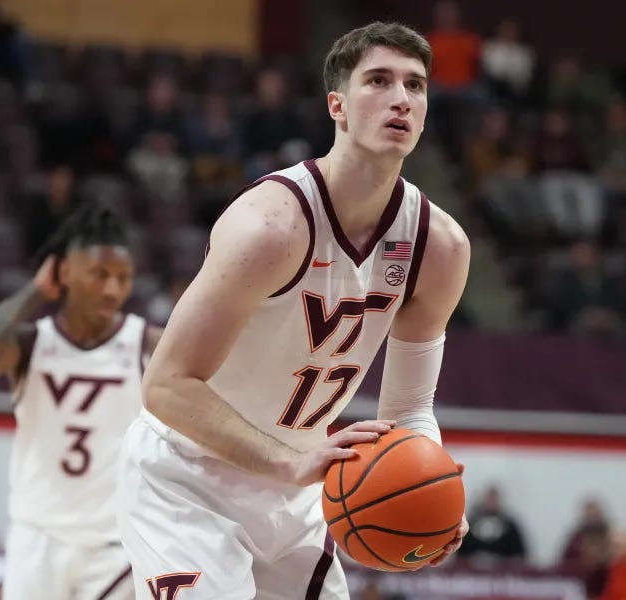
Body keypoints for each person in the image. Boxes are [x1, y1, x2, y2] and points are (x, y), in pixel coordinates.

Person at [116, 21, 471, 599]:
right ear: (337, 106)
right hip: (186, 477)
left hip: (299, 483)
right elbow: (167, 385)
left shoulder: (440, 247)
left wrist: (429, 490)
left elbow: (408, 410)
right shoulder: (269, 226)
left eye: (415, 85)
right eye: (378, 81)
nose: (401, 98)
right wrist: (284, 463)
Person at [0, 203, 161, 600]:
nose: (112, 289)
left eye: (123, 278)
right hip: (38, 534)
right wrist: (36, 291)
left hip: (113, 540)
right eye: (100, 274)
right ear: (65, 272)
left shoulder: (147, 343)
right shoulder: (31, 343)